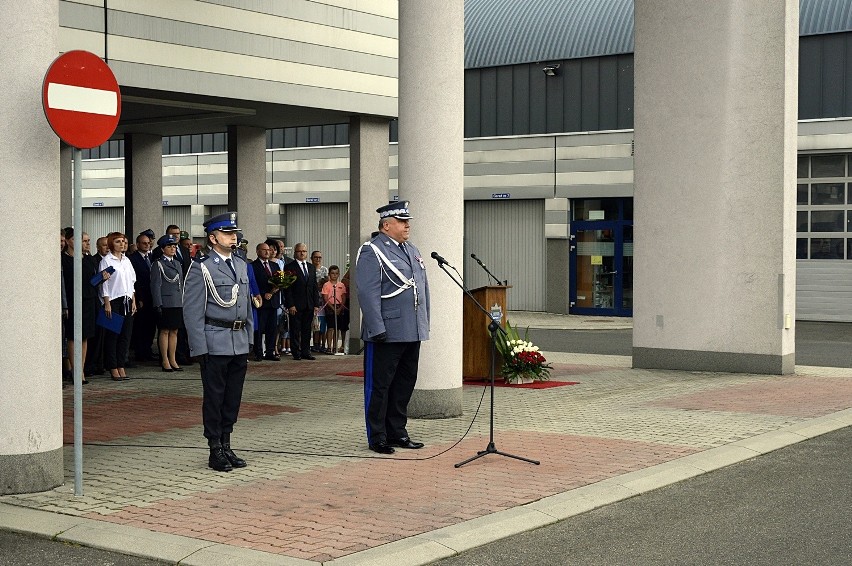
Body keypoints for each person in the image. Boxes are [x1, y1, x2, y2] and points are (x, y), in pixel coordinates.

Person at [355, 201, 430, 454]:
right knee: (380, 386)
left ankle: (397, 432)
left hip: (411, 330)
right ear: (386, 225)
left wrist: (423, 325)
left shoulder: (411, 250)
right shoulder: (372, 251)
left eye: (407, 220)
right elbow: (367, 293)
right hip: (386, 332)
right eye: (402, 221)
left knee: (404, 384)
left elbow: (422, 290)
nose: (407, 225)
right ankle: (377, 436)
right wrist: (377, 329)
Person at [182, 211, 253, 472]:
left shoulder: (242, 265)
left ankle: (227, 443)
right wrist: (198, 347)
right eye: (227, 233)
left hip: (239, 340)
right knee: (215, 397)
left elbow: (247, 306)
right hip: (215, 340)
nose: (233, 237)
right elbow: (192, 311)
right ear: (213, 237)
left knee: (232, 397)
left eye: (234, 233)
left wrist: (251, 339)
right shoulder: (202, 267)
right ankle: (214, 448)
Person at [99, 232, 137, 381]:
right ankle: (113, 367)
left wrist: (133, 299)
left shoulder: (127, 260)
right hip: (114, 300)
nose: (122, 244)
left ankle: (121, 365)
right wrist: (106, 302)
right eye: (118, 242)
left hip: (127, 299)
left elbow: (132, 282)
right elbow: (104, 284)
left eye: (123, 241)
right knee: (113, 335)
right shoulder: (107, 260)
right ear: (111, 244)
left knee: (125, 336)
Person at [151, 235, 184, 372]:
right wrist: (158, 304)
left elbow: (181, 284)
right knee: (164, 331)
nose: (173, 248)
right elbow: (155, 285)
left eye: (174, 246)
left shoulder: (177, 263)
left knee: (174, 331)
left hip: (177, 301)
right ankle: (164, 359)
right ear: (163, 249)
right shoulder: (158, 264)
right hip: (166, 302)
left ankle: (173, 359)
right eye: (169, 246)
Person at [283, 243, 320, 360]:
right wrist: (291, 305)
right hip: (296, 305)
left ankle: (306, 351)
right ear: (295, 252)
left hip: (309, 304)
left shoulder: (311, 267)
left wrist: (316, 304)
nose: (302, 253)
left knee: (306, 330)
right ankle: (296, 352)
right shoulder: (289, 267)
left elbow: (314, 287)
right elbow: (287, 288)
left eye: (304, 251)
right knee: (295, 329)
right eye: (299, 251)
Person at [129, 230, 157, 362]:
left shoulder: (153, 257)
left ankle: (148, 349)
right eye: (144, 243)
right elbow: (134, 281)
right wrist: (138, 298)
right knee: (141, 325)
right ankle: (140, 352)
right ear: (138, 244)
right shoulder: (133, 259)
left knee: (151, 325)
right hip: (141, 297)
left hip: (153, 296)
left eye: (148, 243)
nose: (147, 245)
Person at [250, 241, 282, 361]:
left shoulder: (275, 265)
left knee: (272, 329)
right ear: (258, 252)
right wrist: (263, 294)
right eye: (264, 250)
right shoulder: (253, 266)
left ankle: (270, 352)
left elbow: (280, 281)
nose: (267, 252)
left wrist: (274, 291)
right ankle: (258, 353)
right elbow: (253, 284)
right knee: (259, 329)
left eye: (268, 250)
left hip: (273, 302)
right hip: (260, 303)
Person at [321, 265, 348, 354]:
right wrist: (333, 308)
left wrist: (340, 308)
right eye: (332, 273)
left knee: (337, 328)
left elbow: (343, 297)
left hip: (339, 306)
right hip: (329, 306)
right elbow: (325, 298)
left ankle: (335, 346)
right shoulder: (326, 285)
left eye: (336, 273)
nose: (334, 275)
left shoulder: (341, 285)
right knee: (331, 327)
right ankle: (329, 346)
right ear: (329, 274)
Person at [312, 250, 329, 353]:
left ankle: (322, 344)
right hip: (311, 299)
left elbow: (326, 283)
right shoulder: (309, 268)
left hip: (322, 300)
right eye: (315, 257)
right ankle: (314, 344)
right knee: (313, 323)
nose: (318, 259)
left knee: (322, 323)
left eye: (319, 257)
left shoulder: (324, 270)